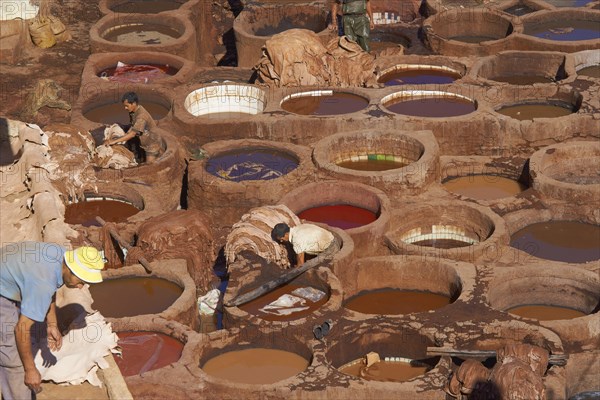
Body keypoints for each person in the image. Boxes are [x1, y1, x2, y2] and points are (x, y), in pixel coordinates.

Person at [0, 242, 105, 399]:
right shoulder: (43, 282)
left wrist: (52, 324)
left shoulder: (62, 256)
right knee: (13, 358)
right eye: (81, 279)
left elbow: (51, 288)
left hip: (8, 271)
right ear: (69, 269)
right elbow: (21, 328)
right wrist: (30, 370)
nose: (81, 286)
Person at [104, 92, 162, 163]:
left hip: (152, 143)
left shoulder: (141, 116)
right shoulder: (133, 111)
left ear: (133, 103)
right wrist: (124, 135)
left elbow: (132, 134)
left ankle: (158, 156)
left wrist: (114, 141)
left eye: (127, 106)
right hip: (144, 139)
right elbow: (132, 125)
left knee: (150, 165)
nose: (125, 108)